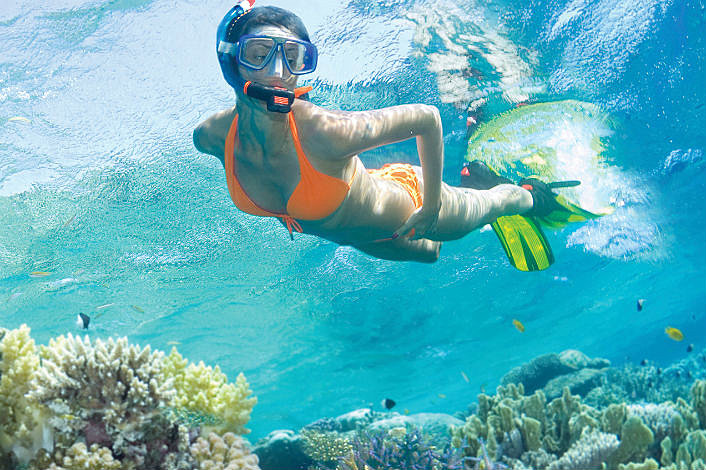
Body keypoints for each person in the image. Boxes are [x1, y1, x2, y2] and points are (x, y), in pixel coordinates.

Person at [193, 2, 570, 264]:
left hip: (410, 202)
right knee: (429, 255)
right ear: (231, 61)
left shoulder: (323, 132)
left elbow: (427, 118)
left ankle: (530, 195)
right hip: (363, 236)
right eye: (258, 53)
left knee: (494, 208)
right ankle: (477, 182)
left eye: (294, 58)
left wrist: (433, 204)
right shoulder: (211, 137)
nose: (278, 72)